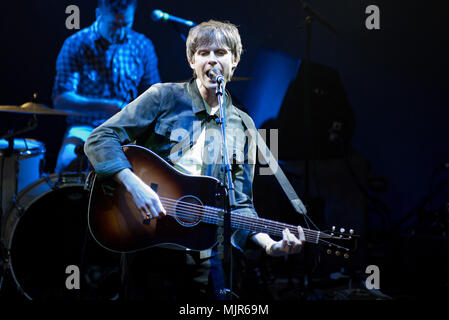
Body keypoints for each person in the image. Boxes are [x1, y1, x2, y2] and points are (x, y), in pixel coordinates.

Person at [84, 20, 305, 300]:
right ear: (192, 60)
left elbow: (240, 205)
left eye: (221, 53)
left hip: (205, 254)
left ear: (234, 61)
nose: (212, 59)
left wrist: (270, 245)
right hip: (148, 244)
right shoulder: (163, 97)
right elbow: (100, 138)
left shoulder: (244, 125)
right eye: (204, 53)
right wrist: (132, 183)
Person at [52, 0, 160, 173]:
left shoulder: (142, 45)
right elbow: (61, 100)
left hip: (128, 128)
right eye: (114, 25)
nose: (120, 32)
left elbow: (154, 94)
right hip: (86, 127)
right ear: (98, 15)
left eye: (126, 24)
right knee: (67, 163)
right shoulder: (75, 44)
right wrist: (105, 107)